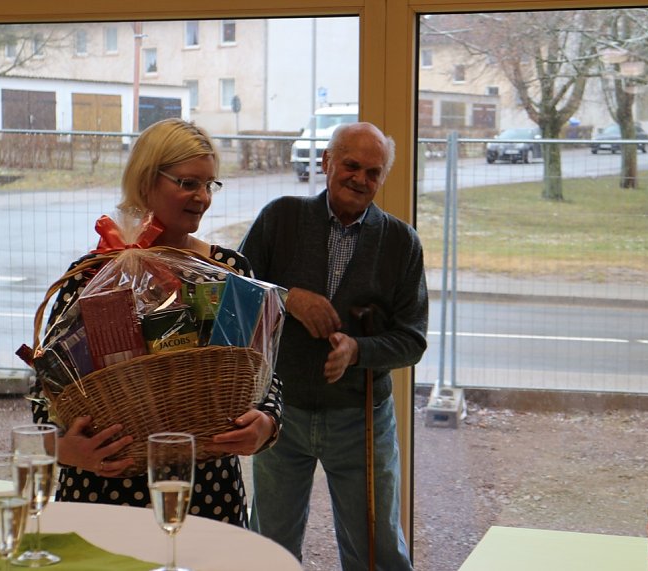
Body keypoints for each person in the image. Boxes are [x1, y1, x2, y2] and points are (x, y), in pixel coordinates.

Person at [29, 117, 282, 527]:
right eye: (187, 183)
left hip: (204, 493)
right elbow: (44, 390)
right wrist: (64, 448)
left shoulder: (229, 272)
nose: (202, 197)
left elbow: (267, 374)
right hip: (103, 490)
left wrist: (267, 424)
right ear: (146, 182)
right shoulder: (93, 275)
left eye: (209, 184)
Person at [240, 122, 428, 568]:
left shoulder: (401, 243)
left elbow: (412, 340)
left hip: (361, 419)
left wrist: (358, 351)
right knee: (269, 547)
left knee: (377, 550)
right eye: (351, 165)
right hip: (280, 414)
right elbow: (237, 291)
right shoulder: (280, 218)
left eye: (373, 172)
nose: (360, 179)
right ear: (325, 162)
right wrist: (289, 298)